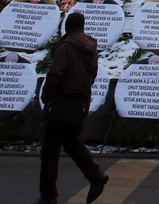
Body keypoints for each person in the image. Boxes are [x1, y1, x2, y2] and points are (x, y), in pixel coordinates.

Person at [38, 11, 108, 204]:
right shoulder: (91, 47)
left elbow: (55, 74)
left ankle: (48, 196)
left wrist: (46, 95)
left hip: (62, 102)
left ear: (67, 26)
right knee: (70, 141)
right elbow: (92, 75)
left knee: (50, 150)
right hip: (80, 102)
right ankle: (95, 176)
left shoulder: (66, 48)